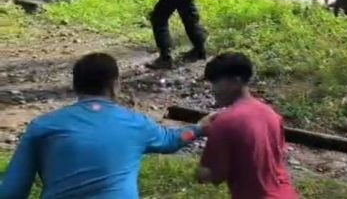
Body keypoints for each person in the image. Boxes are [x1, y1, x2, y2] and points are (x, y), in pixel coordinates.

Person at [0, 53, 211, 199]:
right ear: (115, 85)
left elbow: (12, 192)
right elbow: (173, 140)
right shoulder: (136, 123)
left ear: (75, 86)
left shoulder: (43, 126)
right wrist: (199, 129)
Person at [197, 52, 299, 198]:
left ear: (235, 81)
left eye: (216, 82)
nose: (213, 89)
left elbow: (213, 176)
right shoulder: (271, 114)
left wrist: (198, 131)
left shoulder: (224, 122)